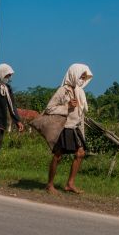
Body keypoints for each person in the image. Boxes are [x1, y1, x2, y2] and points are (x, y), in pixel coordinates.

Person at [45, 63, 93, 195]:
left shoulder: (80, 92)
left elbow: (80, 115)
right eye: (80, 76)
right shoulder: (62, 90)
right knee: (58, 156)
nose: (82, 80)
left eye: (84, 77)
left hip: (75, 128)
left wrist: (82, 133)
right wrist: (67, 106)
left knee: (80, 153)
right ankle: (49, 185)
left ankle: (70, 184)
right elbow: (49, 109)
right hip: (64, 127)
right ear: (73, 75)